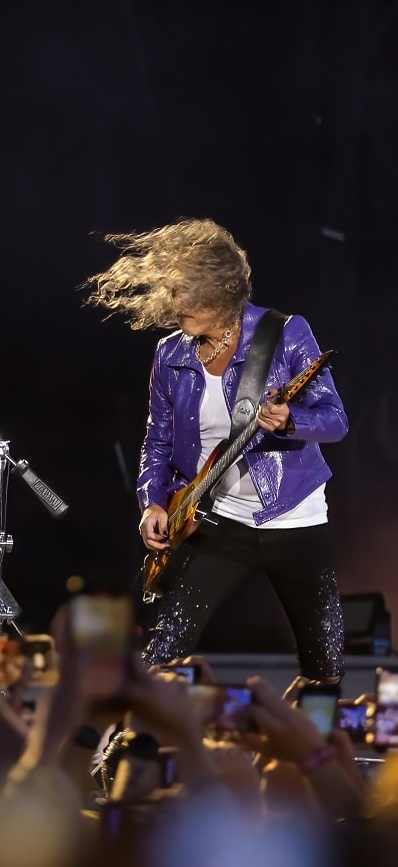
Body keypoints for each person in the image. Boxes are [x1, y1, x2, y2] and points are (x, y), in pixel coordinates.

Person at [85, 218, 348, 682]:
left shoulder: (285, 333)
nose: (176, 304)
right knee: (162, 651)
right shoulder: (171, 353)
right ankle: (125, 751)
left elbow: (335, 419)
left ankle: (299, 748)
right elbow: (157, 441)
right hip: (217, 519)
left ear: (225, 288)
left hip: (296, 518)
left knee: (324, 669)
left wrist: (291, 421)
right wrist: (152, 503)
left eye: (188, 292)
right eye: (173, 291)